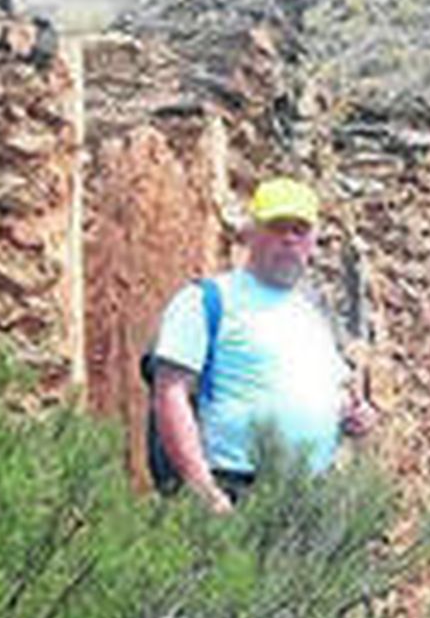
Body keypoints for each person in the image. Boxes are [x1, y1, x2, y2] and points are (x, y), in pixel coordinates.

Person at [150, 176, 377, 514]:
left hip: (311, 495)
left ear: (313, 241)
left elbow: (333, 394)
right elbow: (170, 393)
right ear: (251, 234)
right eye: (276, 227)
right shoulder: (207, 300)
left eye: (299, 230)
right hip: (236, 490)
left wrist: (357, 415)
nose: (288, 239)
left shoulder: (311, 312)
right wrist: (204, 492)